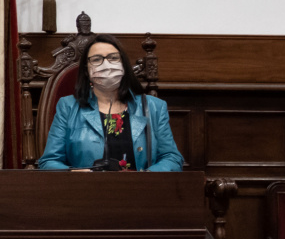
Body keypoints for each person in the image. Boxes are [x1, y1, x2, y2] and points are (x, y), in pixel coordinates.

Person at [37, 34, 182, 172]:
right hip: (87, 192)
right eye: (96, 59)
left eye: (113, 58)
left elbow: (172, 158)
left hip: (141, 192)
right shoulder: (68, 107)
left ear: (123, 65)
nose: (106, 65)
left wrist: (146, 177)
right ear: (87, 70)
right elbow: (49, 162)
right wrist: (76, 173)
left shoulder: (154, 107)